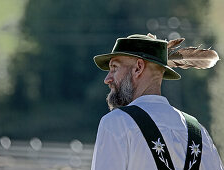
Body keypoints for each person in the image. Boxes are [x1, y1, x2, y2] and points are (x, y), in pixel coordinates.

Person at [91, 34, 223, 170]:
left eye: (114, 68)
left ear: (138, 68)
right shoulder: (199, 132)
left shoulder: (116, 123)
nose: (107, 79)